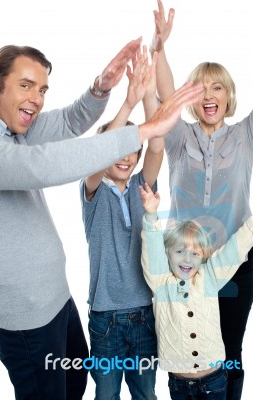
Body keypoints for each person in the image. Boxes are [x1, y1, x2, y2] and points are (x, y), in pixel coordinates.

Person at [0, 38, 203, 400]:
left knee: (86, 386)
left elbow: (73, 122)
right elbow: (53, 163)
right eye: (25, 85)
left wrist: (111, 90)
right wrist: (144, 126)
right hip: (34, 317)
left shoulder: (16, 132)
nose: (37, 99)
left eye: (42, 89)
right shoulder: (83, 183)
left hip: (63, 303)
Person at [149, 1, 253, 398]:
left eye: (217, 87)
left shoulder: (246, 135)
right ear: (190, 98)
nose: (209, 95)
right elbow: (165, 95)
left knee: (230, 352)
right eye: (200, 88)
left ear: (229, 96)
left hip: (234, 269)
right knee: (189, 355)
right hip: (183, 270)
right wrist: (159, 47)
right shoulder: (178, 138)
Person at [79, 45, 161, 399]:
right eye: (119, 149)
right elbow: (105, 153)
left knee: (146, 393)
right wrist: (126, 102)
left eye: (132, 150)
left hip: (144, 313)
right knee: (107, 395)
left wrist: (145, 99)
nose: (127, 157)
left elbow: (156, 146)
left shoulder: (143, 187)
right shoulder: (93, 188)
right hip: (105, 320)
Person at [139, 182, 253, 400]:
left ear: (203, 258)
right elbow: (152, 250)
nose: (187, 258)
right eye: (180, 251)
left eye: (195, 254)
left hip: (214, 380)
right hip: (179, 384)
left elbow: (234, 250)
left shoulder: (209, 278)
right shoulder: (161, 283)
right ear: (168, 253)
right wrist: (151, 215)